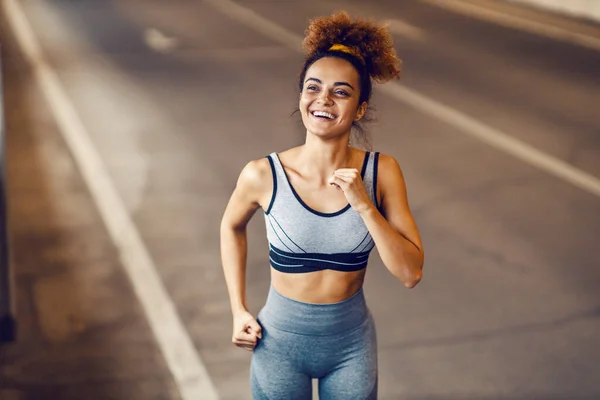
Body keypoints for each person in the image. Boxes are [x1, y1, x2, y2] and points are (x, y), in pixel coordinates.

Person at [220, 11, 424, 400]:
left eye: (341, 92)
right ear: (301, 97)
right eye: (313, 88)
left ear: (360, 108)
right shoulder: (262, 174)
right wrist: (238, 309)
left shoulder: (383, 172)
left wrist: (365, 206)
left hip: (350, 346)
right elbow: (230, 226)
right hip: (278, 343)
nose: (324, 100)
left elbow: (410, 272)